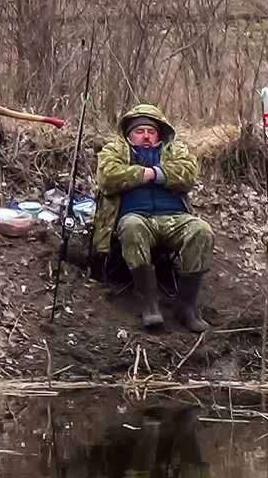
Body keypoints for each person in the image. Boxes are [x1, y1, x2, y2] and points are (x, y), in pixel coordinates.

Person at [91, 104, 213, 332]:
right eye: (139, 131)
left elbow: (187, 175)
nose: (146, 136)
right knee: (131, 227)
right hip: (135, 216)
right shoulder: (114, 151)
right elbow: (108, 178)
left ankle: (185, 307)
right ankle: (150, 305)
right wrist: (146, 173)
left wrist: (155, 173)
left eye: (151, 131)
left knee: (201, 230)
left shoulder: (176, 151)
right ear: (129, 134)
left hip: (174, 218)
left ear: (159, 133)